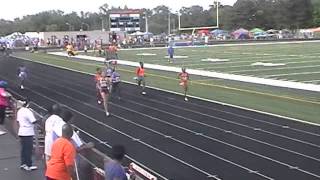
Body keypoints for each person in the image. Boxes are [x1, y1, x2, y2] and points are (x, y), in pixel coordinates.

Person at [16, 99, 38, 171]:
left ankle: (23, 163)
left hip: (21, 131)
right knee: (28, 149)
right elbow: (33, 121)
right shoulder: (27, 111)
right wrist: (39, 119)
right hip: (28, 132)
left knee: (23, 149)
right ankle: (28, 164)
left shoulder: (20, 111)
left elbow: (18, 121)